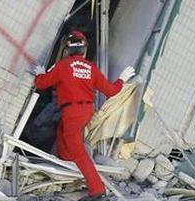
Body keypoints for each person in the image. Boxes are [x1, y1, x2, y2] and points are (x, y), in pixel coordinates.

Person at [32, 30, 136, 200]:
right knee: (62, 133)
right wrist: (121, 79)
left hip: (71, 112)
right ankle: (66, 160)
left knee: (79, 152)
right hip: (85, 111)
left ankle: (97, 190)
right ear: (84, 50)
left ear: (67, 50)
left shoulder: (63, 66)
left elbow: (41, 84)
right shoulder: (91, 68)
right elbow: (111, 91)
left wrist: (40, 73)